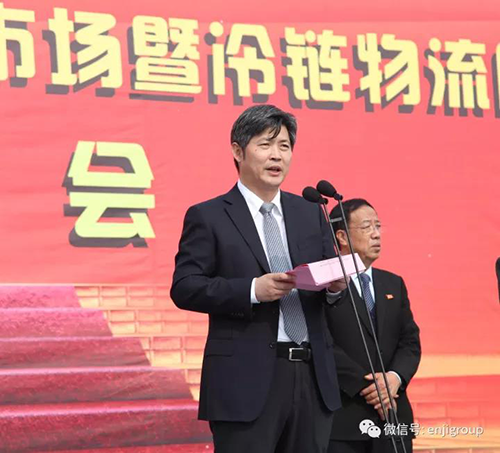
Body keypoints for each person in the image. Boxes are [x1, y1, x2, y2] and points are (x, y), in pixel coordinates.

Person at [171, 105, 345, 453]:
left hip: (312, 377)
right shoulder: (209, 215)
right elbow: (185, 286)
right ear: (238, 151)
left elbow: (329, 287)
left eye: (284, 146)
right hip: (244, 381)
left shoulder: (311, 212)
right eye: (265, 145)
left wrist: (334, 289)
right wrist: (252, 290)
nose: (276, 155)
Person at [325, 199, 421, 453]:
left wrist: (394, 378)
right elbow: (323, 343)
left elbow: (410, 341)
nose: (376, 234)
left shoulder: (393, 284)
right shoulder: (325, 284)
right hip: (344, 421)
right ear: (342, 236)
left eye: (378, 226)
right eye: (366, 227)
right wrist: (369, 387)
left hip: (393, 417)